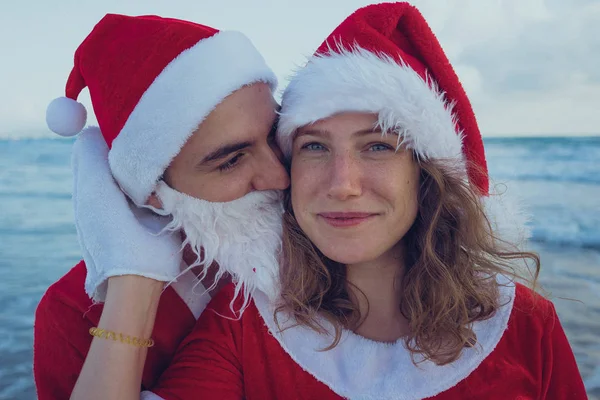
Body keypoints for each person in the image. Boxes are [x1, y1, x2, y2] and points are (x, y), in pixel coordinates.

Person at [74, 3, 588, 400]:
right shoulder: (250, 326)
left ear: (426, 174)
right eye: (315, 146)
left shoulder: (523, 324)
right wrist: (135, 276)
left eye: (378, 146)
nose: (342, 183)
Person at [33, 13, 289, 400]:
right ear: (152, 190)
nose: (281, 177)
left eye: (277, 134)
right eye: (231, 160)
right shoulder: (72, 313)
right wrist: (134, 285)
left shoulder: (331, 226)